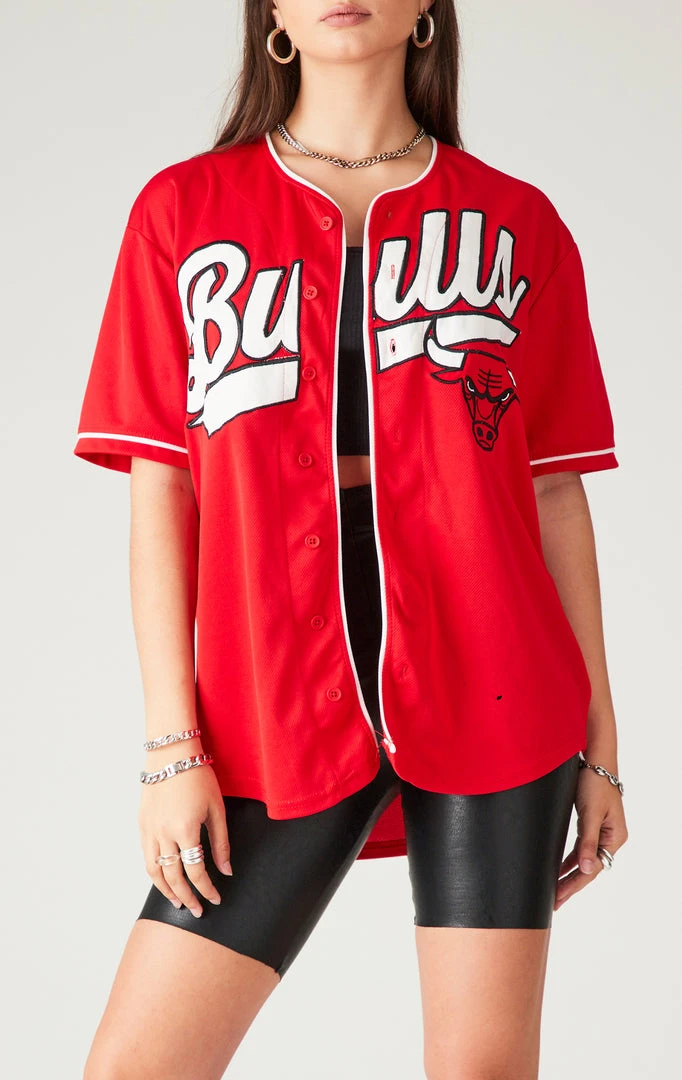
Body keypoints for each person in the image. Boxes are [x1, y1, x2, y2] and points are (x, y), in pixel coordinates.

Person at [75, 3, 628, 1077]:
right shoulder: (183, 212)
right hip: (269, 693)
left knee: (480, 1070)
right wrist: (170, 747)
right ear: (272, 16)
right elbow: (162, 491)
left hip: (496, 679)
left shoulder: (516, 222)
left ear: (427, 9)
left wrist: (603, 743)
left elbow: (556, 493)